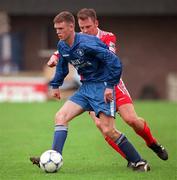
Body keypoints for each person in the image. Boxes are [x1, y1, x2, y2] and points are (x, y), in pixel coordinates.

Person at [30, 11, 150, 172]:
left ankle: (139, 161)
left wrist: (109, 86)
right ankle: (55, 156)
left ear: (71, 27)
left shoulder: (88, 43)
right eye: (56, 28)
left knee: (108, 130)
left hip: (101, 87)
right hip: (85, 88)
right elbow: (61, 66)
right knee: (60, 116)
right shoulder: (62, 45)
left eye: (61, 28)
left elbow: (114, 62)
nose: (58, 32)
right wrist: (56, 85)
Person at [47, 8, 168, 162]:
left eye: (88, 27)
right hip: (89, 87)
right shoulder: (74, 40)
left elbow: (112, 60)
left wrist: (109, 85)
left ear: (96, 23)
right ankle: (133, 160)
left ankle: (152, 143)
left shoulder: (106, 37)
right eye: (82, 28)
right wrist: (55, 60)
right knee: (102, 127)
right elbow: (65, 49)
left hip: (111, 83)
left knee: (131, 120)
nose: (84, 31)